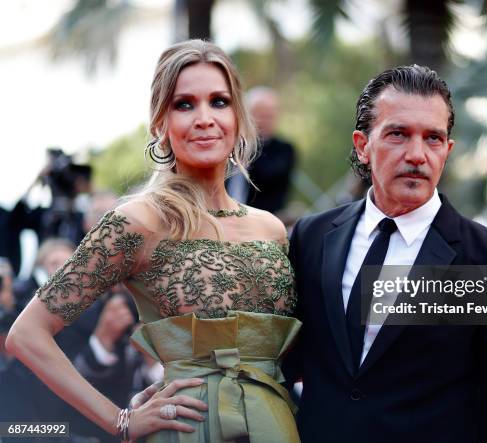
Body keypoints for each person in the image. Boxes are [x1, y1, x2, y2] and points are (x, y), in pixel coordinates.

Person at [6, 39, 300, 443]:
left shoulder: (271, 228)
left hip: (276, 423)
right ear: (159, 123)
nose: (204, 118)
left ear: (238, 117)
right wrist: (119, 421)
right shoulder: (138, 221)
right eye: (184, 104)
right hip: (188, 429)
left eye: (219, 102)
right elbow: (27, 334)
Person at [284, 65, 487, 442]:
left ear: (447, 150)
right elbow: (282, 361)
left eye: (433, 138)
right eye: (398, 134)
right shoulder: (313, 236)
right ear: (362, 145)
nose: (417, 155)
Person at [227, 86, 296, 214]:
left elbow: (266, 176)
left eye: (270, 116)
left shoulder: (283, 150)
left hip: (262, 218)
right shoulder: (229, 143)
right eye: (260, 115)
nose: (265, 121)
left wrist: (248, 144)